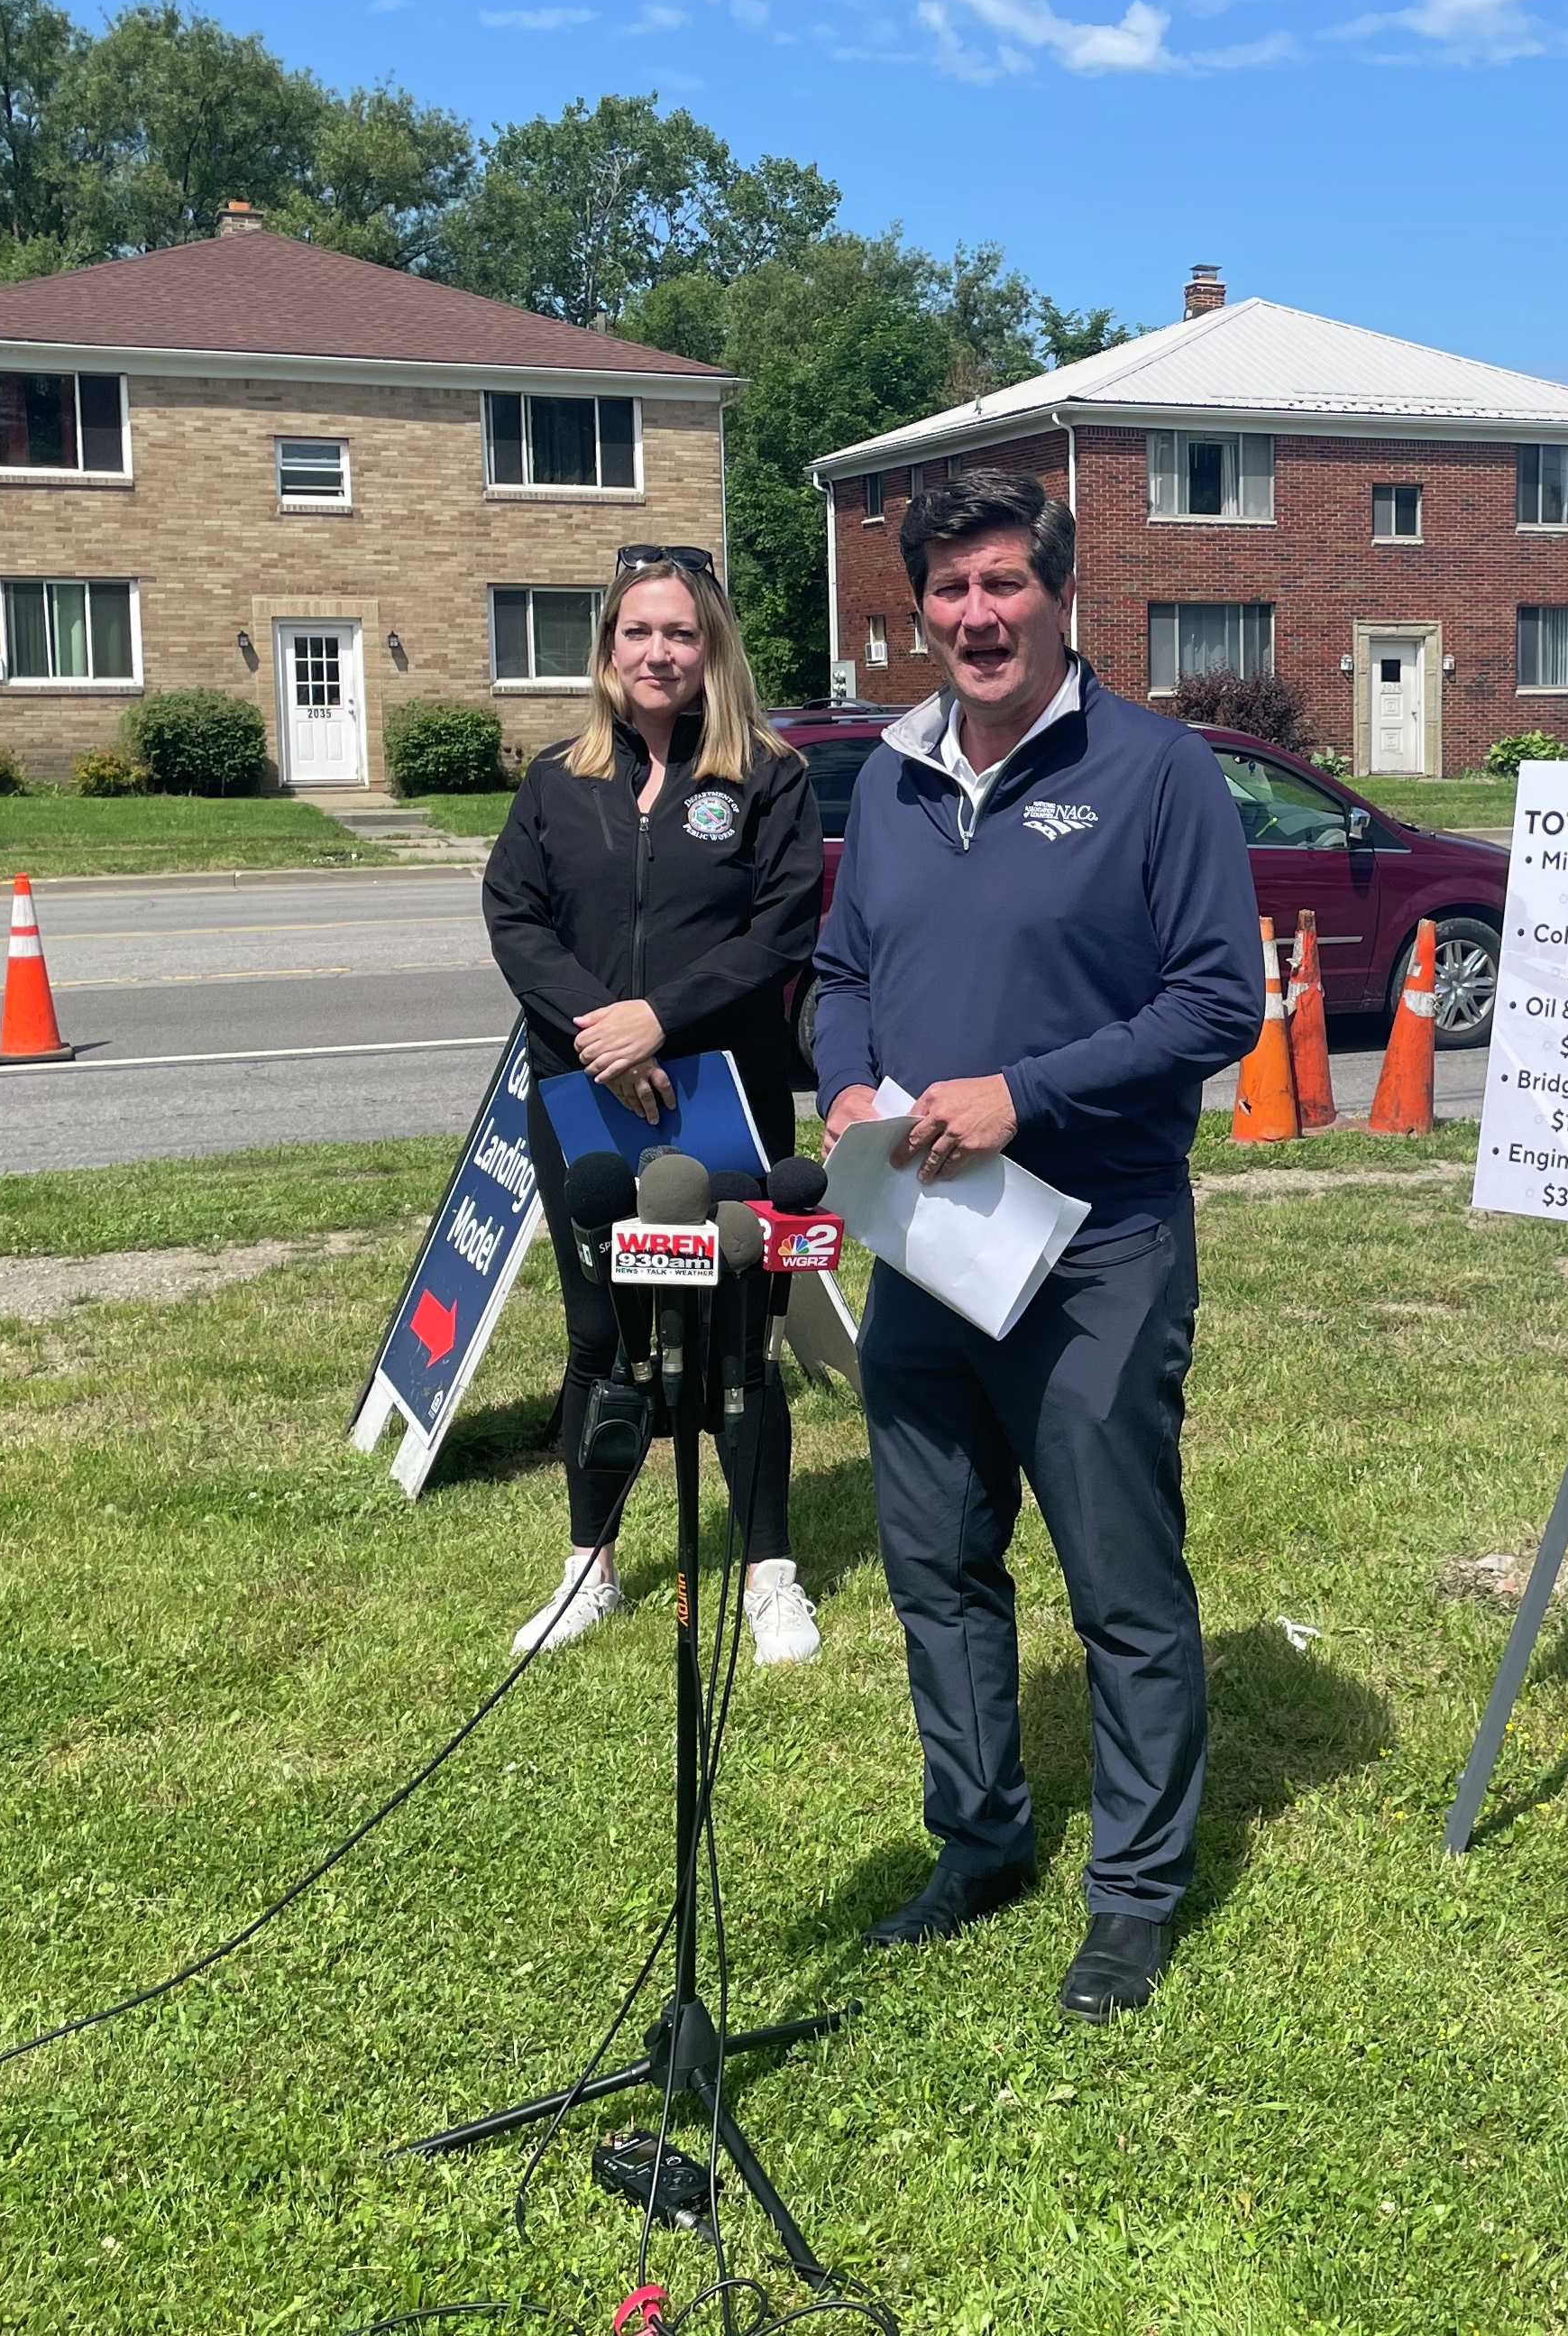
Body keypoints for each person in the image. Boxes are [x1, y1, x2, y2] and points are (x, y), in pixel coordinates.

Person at [812, 467, 1263, 2023]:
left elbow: (1219, 1004)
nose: (977, 616)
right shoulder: (887, 775)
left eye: (1004, 584)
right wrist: (849, 1076)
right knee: (937, 1560)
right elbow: (842, 970)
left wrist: (1027, 1093)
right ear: (919, 606)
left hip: (1097, 1244)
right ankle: (979, 1838)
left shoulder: (1155, 774)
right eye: (949, 590)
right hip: (924, 1235)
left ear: (1059, 594)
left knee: (1119, 1578)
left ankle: (1134, 1895)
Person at [481, 545, 825, 1663]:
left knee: (736, 1337)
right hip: (583, 1096)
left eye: (680, 632)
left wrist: (660, 1019)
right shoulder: (556, 778)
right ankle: (591, 1565)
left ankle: (771, 1572)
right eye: (638, 631)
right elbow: (515, 916)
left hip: (718, 1096)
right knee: (602, 1335)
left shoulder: (767, 776)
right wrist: (602, 1027)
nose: (659, 652)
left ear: (712, 645)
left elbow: (781, 927)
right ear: (608, 648)